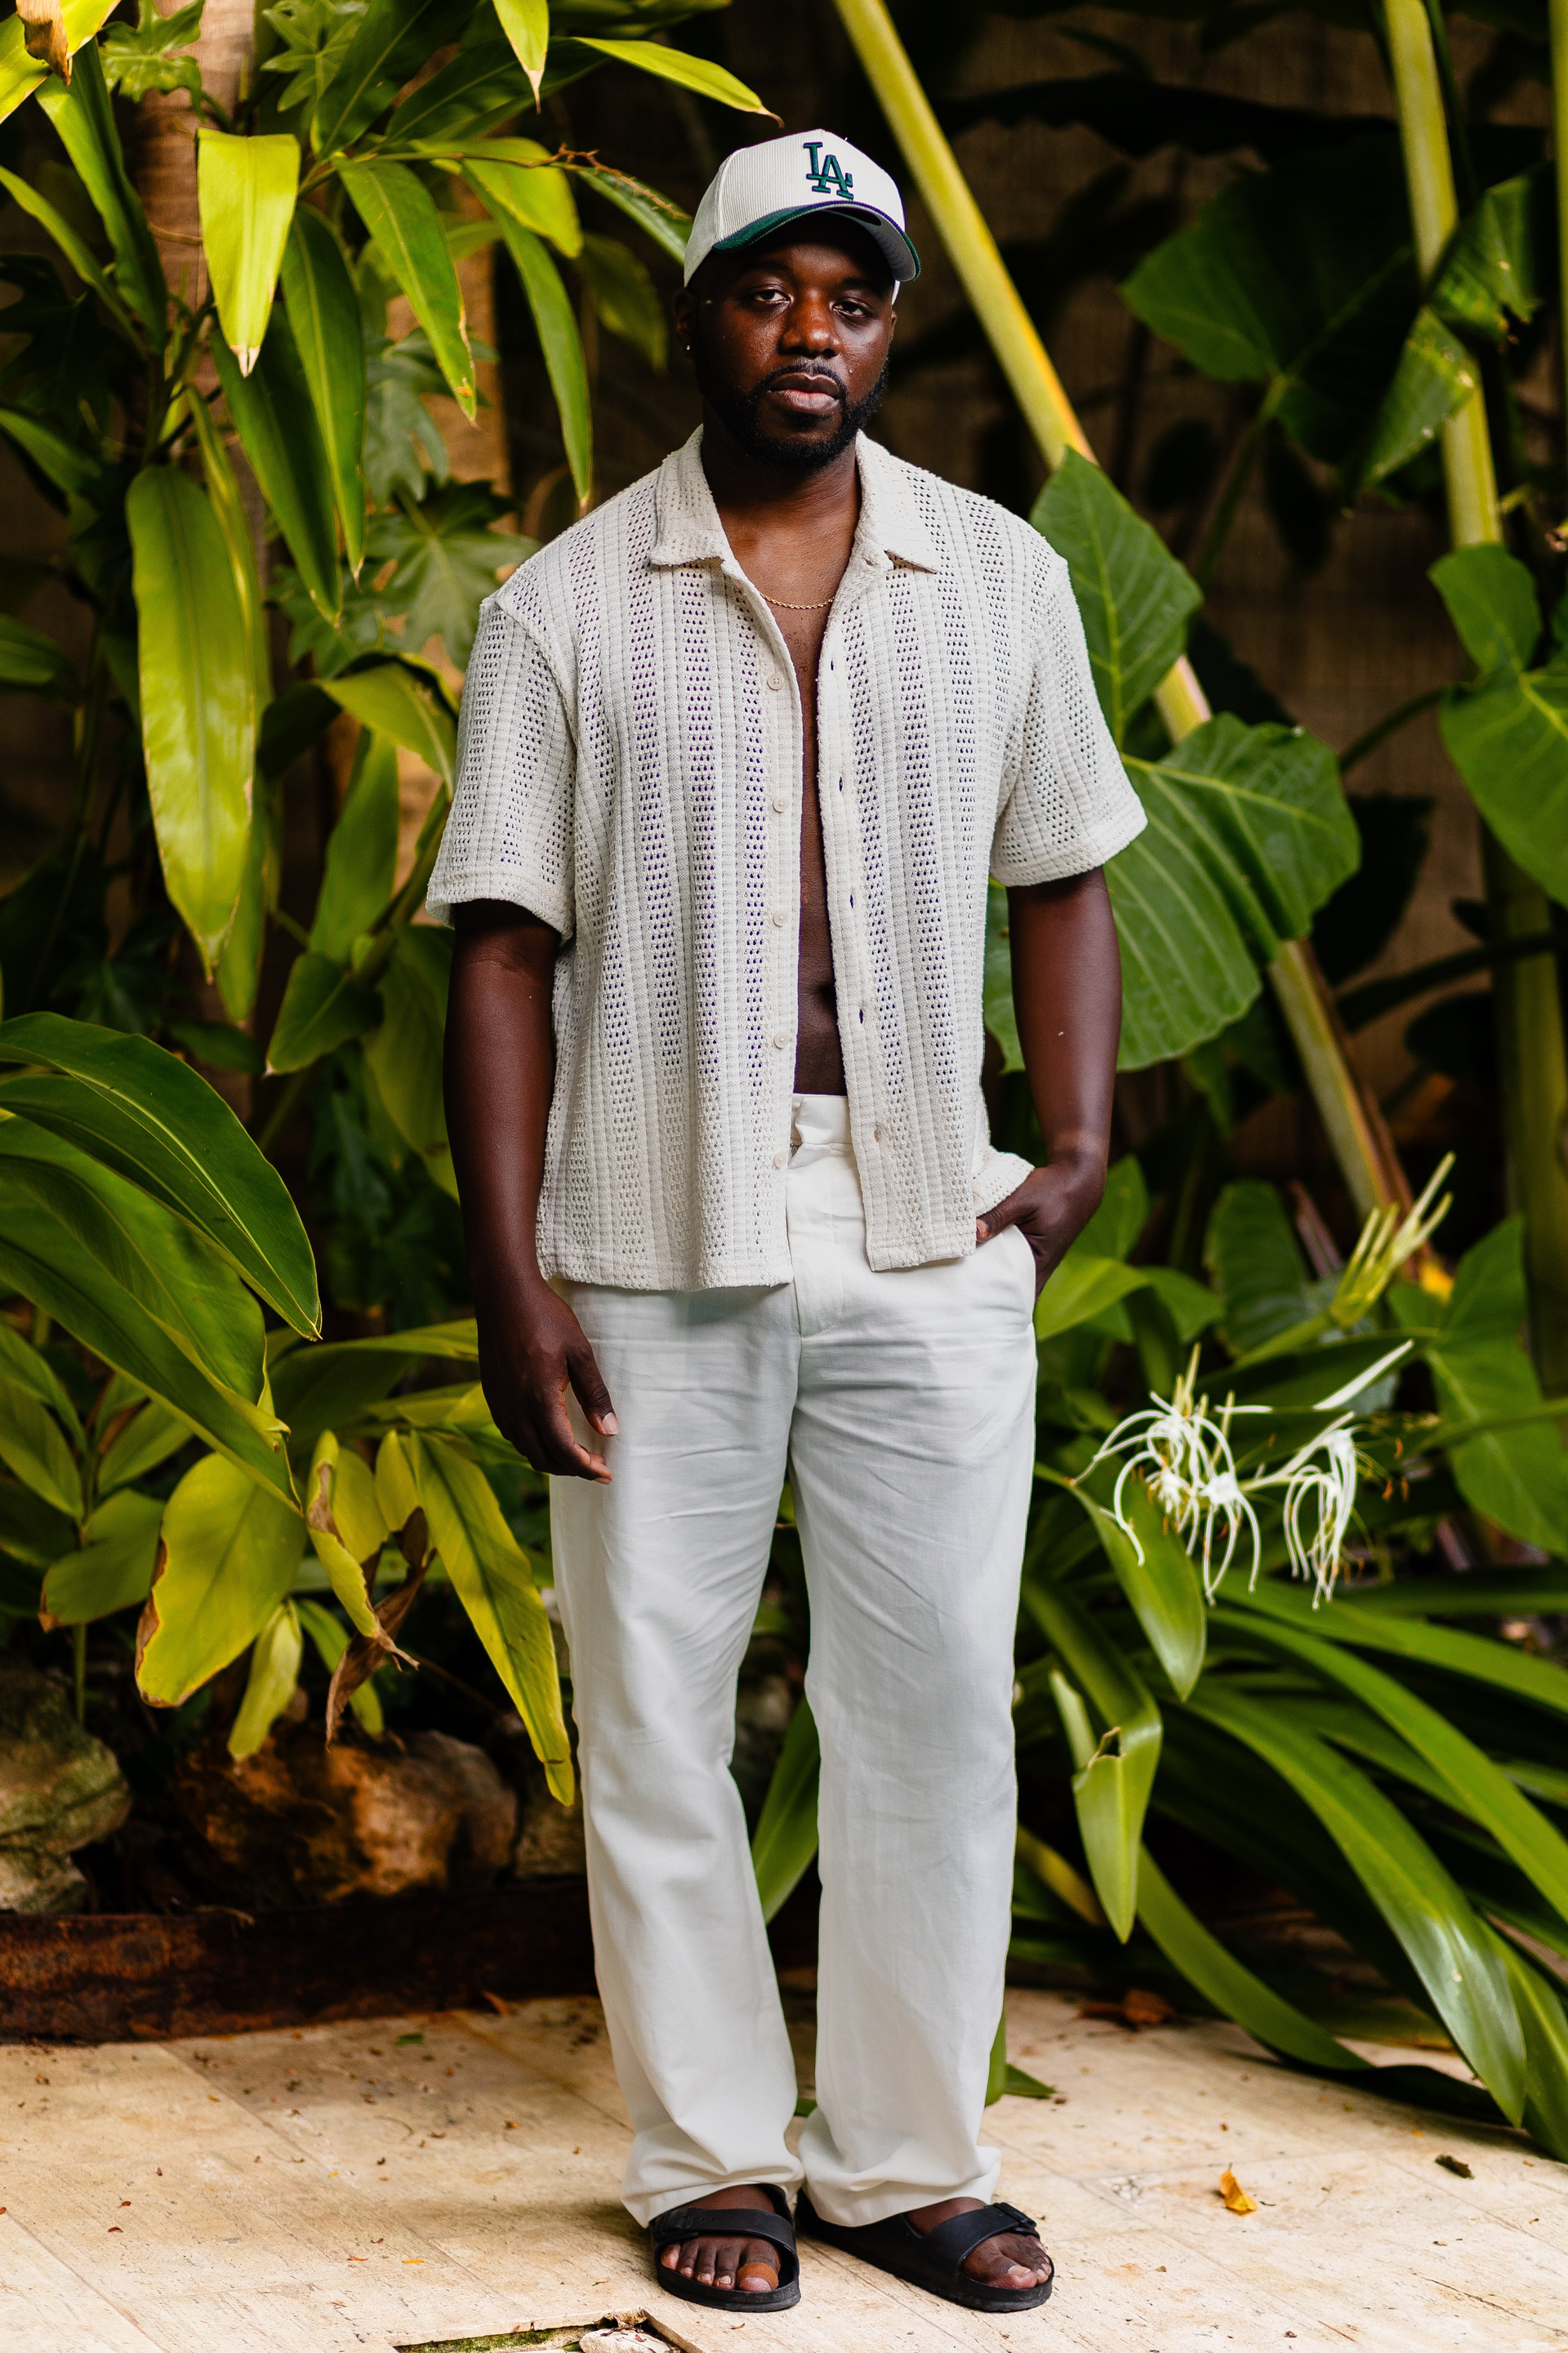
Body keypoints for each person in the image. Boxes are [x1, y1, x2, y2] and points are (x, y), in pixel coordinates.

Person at [432, 127, 1145, 2320]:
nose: (808, 330)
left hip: (926, 1212)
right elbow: (499, 951)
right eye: (767, 290)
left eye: (849, 296)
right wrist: (511, 1274)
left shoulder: (1001, 579)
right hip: (646, 1220)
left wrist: (1080, 1142)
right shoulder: (563, 606)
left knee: (934, 1705)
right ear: (699, 318)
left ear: (890, 328)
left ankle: (910, 2165)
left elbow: (1068, 864)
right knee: (656, 1705)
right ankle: (707, 2157)